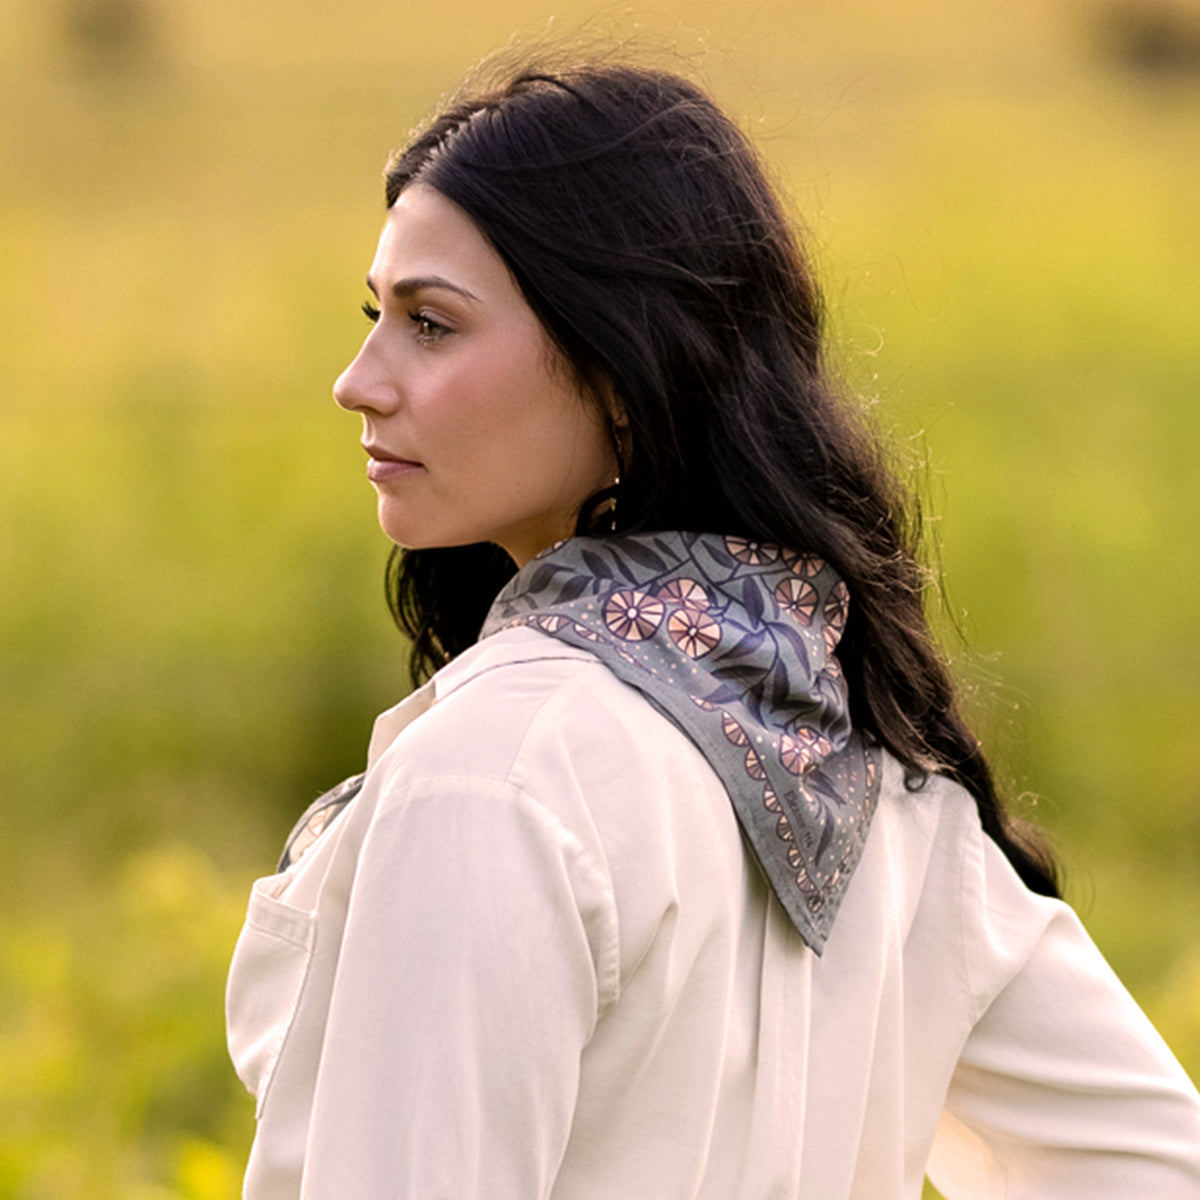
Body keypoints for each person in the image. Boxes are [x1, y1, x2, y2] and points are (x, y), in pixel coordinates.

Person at [225, 56, 1200, 1199]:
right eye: (374, 318)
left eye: (431, 325)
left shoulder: (492, 782)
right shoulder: (857, 765)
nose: (357, 380)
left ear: (626, 364)